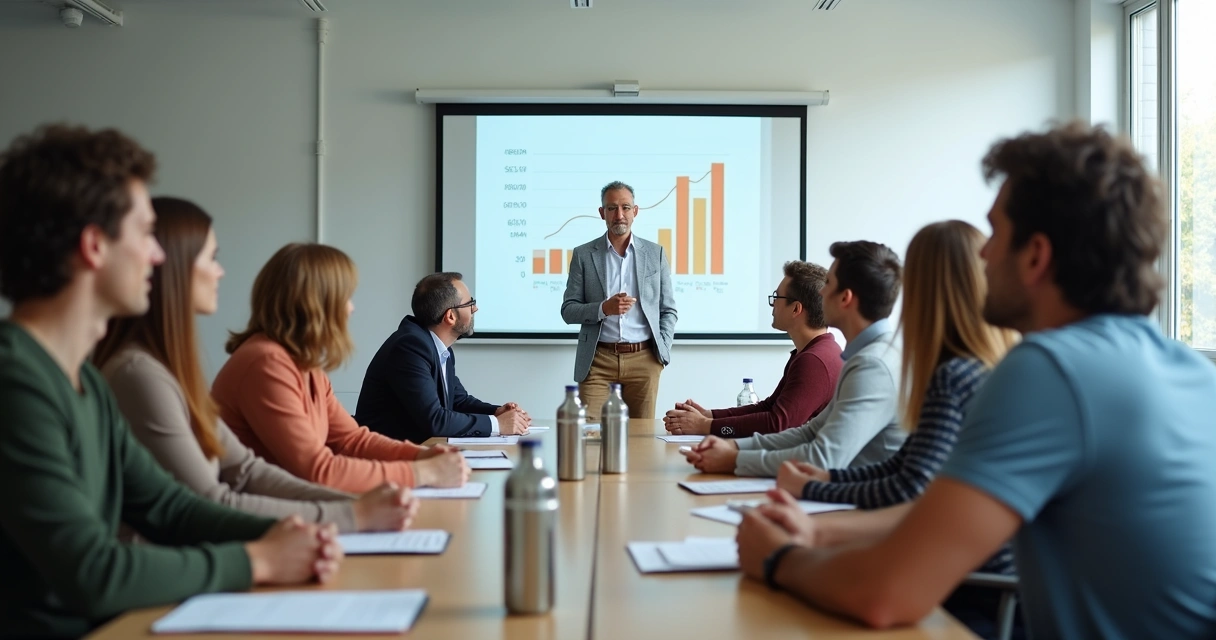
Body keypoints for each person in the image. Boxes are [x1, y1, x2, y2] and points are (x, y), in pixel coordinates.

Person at [735, 122, 1216, 639]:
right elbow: (932, 513)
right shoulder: (1192, 372)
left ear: (1035, 255)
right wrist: (818, 528)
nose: (982, 256)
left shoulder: (1050, 369)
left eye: (995, 234)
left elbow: (887, 594)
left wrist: (777, 558)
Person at [0, 125, 342, 638]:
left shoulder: (86, 385)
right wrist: (260, 561)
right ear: (94, 246)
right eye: (144, 234)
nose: (159, 258)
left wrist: (295, 533)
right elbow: (92, 572)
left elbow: (170, 507)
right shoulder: (16, 382)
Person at [95, 197, 420, 533]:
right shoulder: (144, 374)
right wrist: (360, 513)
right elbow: (210, 500)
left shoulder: (170, 370)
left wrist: (357, 506)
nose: (221, 271)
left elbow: (246, 470)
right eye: (212, 257)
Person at [775, 221, 1019, 639]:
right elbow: (908, 468)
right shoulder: (990, 367)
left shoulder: (953, 376)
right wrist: (825, 481)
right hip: (967, 574)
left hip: (968, 593)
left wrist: (813, 500)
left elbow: (910, 490)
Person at [212, 243, 470, 493]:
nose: (351, 308)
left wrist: (422, 455)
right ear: (315, 304)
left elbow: (352, 440)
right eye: (345, 297)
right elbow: (318, 470)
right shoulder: (266, 363)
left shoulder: (302, 364)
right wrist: (423, 472)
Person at [683, 241, 906, 476]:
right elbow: (808, 433)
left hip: (863, 503)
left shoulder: (872, 365)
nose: (820, 292)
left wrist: (734, 459)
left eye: (828, 283)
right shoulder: (867, 355)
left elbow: (822, 457)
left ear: (845, 298)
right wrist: (734, 445)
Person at [663, 260, 842, 437]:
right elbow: (769, 407)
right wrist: (709, 416)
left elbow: (777, 424)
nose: (772, 305)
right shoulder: (815, 351)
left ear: (796, 308)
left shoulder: (813, 361)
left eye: (777, 297)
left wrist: (706, 427)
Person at [356, 272, 531, 443]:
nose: (475, 308)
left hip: (418, 451)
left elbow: (457, 401)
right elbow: (435, 420)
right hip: (385, 458)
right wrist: (498, 425)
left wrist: (497, 412)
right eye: (470, 303)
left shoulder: (436, 347)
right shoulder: (410, 347)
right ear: (450, 316)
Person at [561, 180, 677, 421]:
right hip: (597, 360)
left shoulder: (655, 254)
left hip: (644, 360)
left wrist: (662, 350)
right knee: (588, 436)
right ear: (602, 213)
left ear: (635, 212)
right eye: (612, 208)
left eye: (625, 207)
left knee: (640, 438)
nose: (619, 215)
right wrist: (604, 308)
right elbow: (568, 310)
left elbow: (668, 310)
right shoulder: (583, 254)